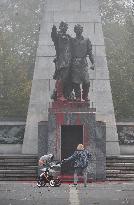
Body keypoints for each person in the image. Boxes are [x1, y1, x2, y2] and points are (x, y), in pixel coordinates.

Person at [71, 24, 95, 101]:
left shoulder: (86, 40)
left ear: (82, 30)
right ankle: (78, 96)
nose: (79, 30)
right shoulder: (72, 40)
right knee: (76, 82)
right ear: (75, 30)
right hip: (74, 63)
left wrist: (93, 63)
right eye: (77, 29)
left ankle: (85, 96)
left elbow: (90, 53)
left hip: (83, 63)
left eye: (80, 29)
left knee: (87, 82)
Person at [51, 21, 72, 101]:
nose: (65, 28)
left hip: (69, 60)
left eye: (66, 26)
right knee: (62, 77)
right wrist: (53, 29)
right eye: (63, 26)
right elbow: (53, 37)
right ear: (60, 27)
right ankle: (59, 95)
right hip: (62, 60)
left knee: (68, 78)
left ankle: (66, 93)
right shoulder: (58, 36)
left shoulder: (68, 36)